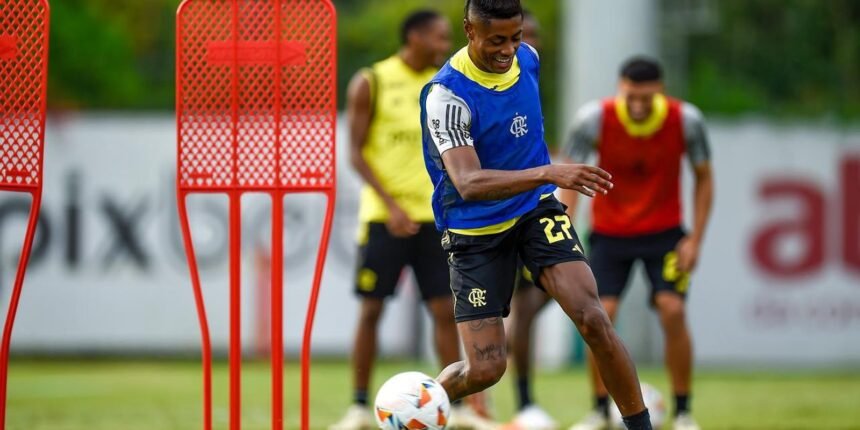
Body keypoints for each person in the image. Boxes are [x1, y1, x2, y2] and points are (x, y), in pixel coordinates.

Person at [420, 1, 653, 429]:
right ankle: (417, 404)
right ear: (469, 29)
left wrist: (544, 181)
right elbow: (468, 182)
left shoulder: (528, 59)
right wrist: (549, 170)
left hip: (534, 211)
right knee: (486, 370)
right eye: (496, 40)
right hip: (475, 231)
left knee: (593, 319)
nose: (509, 49)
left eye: (515, 37)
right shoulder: (447, 96)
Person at [330, 10, 494, 430]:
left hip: (436, 219)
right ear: (415, 37)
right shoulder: (373, 81)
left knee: (444, 310)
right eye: (439, 38)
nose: (445, 46)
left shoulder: (446, 83)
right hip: (386, 218)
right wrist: (392, 204)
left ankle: (453, 407)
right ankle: (358, 407)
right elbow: (355, 153)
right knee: (371, 310)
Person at [562, 57, 712, 430]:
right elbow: (569, 176)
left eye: (647, 97)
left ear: (660, 91)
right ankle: (599, 411)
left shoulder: (686, 120)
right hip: (610, 235)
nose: (640, 105)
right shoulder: (594, 119)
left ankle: (683, 412)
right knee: (599, 317)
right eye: (632, 97)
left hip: (664, 235)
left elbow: (704, 179)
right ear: (620, 88)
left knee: (672, 310)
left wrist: (695, 239)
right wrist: (565, 233)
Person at [504, 9, 559, 430]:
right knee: (519, 311)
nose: (528, 44)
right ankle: (523, 402)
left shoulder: (531, 72)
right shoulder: (479, 81)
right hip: (500, 211)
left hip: (538, 206)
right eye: (524, 36)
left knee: (574, 295)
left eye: (530, 36)